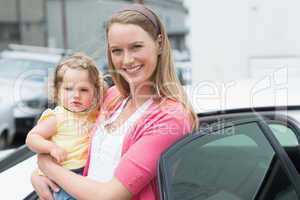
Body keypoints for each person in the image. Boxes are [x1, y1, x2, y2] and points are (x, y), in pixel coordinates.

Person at [31, 3, 198, 200]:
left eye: (136, 47)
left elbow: (108, 195)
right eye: (117, 50)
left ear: (159, 44)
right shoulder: (113, 97)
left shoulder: (170, 118)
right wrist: (37, 175)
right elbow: (70, 138)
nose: (127, 60)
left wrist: (46, 166)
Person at [26, 52, 104, 200]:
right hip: (63, 176)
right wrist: (51, 148)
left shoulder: (95, 114)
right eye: (68, 89)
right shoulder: (57, 117)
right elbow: (32, 138)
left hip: (85, 175)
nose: (76, 95)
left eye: (84, 90)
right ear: (57, 91)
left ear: (95, 93)